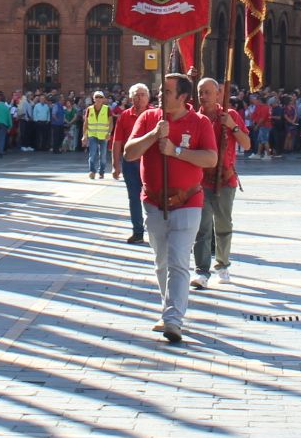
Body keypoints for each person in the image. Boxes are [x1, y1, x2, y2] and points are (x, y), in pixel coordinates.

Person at [120, 74, 219, 344]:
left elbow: (210, 158)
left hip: (188, 201)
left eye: (167, 91)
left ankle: (174, 319)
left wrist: (175, 151)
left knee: (177, 259)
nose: (161, 94)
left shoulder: (199, 123)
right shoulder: (149, 118)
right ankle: (168, 309)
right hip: (152, 202)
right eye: (161, 90)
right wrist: (154, 135)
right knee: (161, 261)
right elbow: (129, 152)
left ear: (184, 97)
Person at [192, 78, 249, 290]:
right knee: (202, 227)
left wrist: (232, 126)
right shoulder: (195, 118)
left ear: (218, 94)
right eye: (200, 92)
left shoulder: (230, 115)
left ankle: (223, 264)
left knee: (223, 225)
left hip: (226, 180)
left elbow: (246, 143)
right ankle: (202, 271)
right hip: (201, 180)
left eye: (207, 92)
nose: (203, 96)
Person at [110, 82, 152, 244]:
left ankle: (155, 231)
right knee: (134, 198)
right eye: (136, 94)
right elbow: (117, 142)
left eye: (142, 94)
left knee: (153, 198)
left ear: (148, 97)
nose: (139, 98)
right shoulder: (125, 116)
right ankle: (138, 232)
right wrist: (115, 165)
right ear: (130, 97)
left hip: (149, 163)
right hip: (130, 163)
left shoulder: (156, 114)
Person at [83, 91, 113, 179]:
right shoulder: (89, 109)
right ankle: (92, 171)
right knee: (92, 154)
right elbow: (86, 123)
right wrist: (84, 135)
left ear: (103, 99)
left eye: (100, 97)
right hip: (92, 134)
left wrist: (109, 133)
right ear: (93, 98)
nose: (98, 99)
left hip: (103, 135)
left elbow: (111, 122)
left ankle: (101, 171)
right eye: (97, 97)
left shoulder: (107, 109)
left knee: (103, 155)